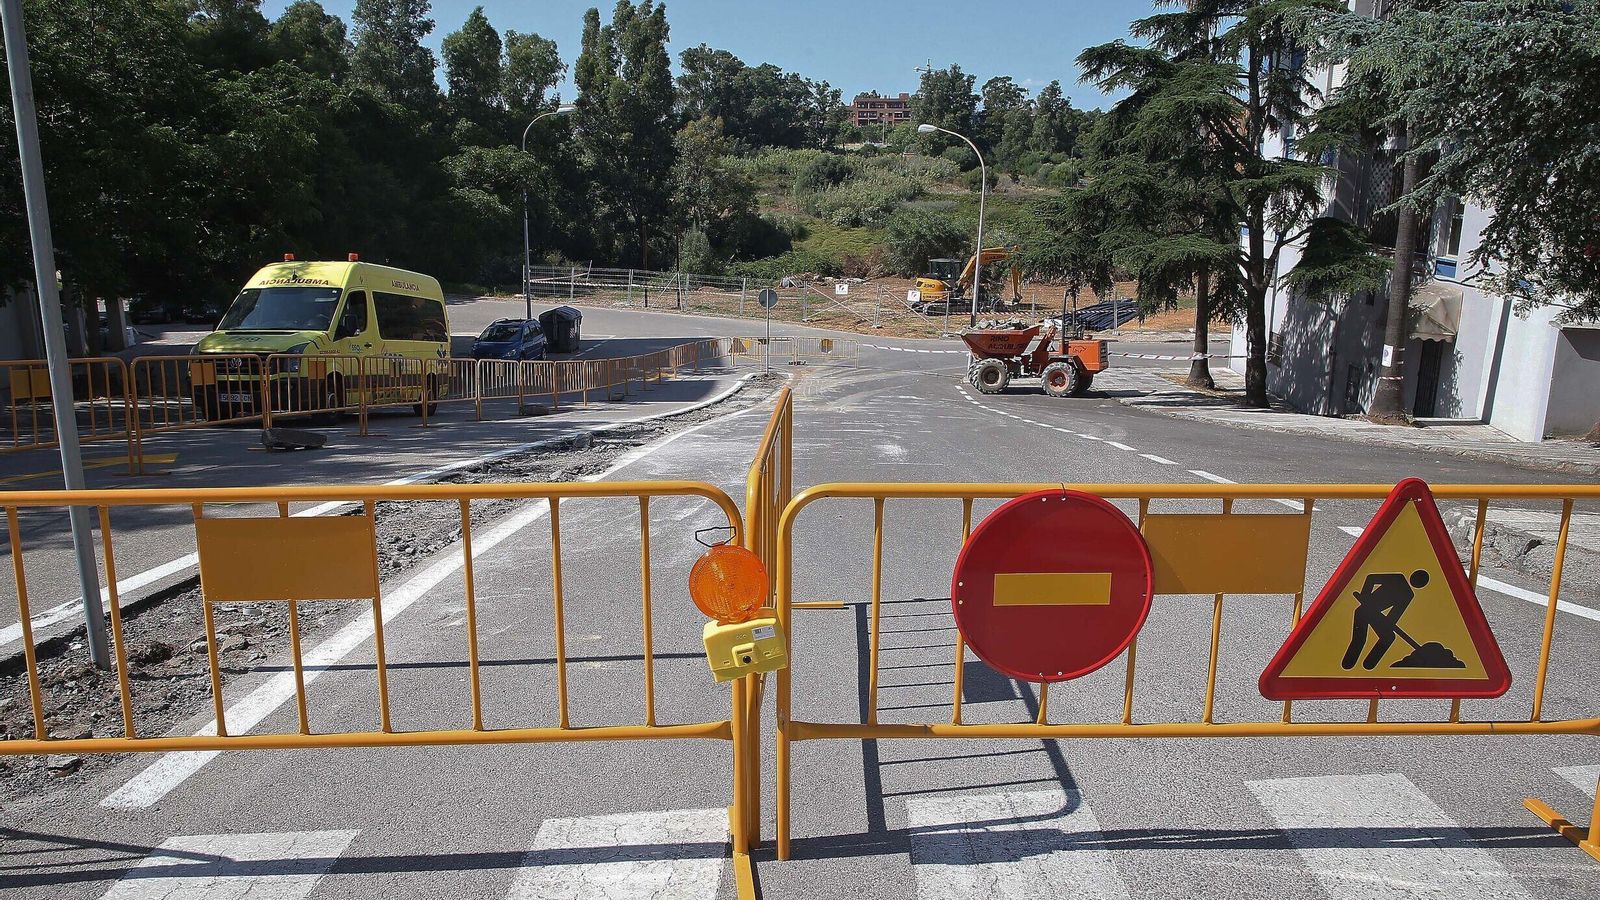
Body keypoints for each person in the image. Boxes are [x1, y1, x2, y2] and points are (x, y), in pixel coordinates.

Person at [1342, 569, 1430, 670]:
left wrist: (1386, 623)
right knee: (1360, 639)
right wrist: (1365, 595)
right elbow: (1371, 579)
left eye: (1421, 582)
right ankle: (1348, 664)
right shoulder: (1397, 579)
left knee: (1388, 637)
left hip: (1375, 616)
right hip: (1363, 611)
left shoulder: (1408, 595)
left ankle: (1369, 665)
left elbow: (1394, 616)